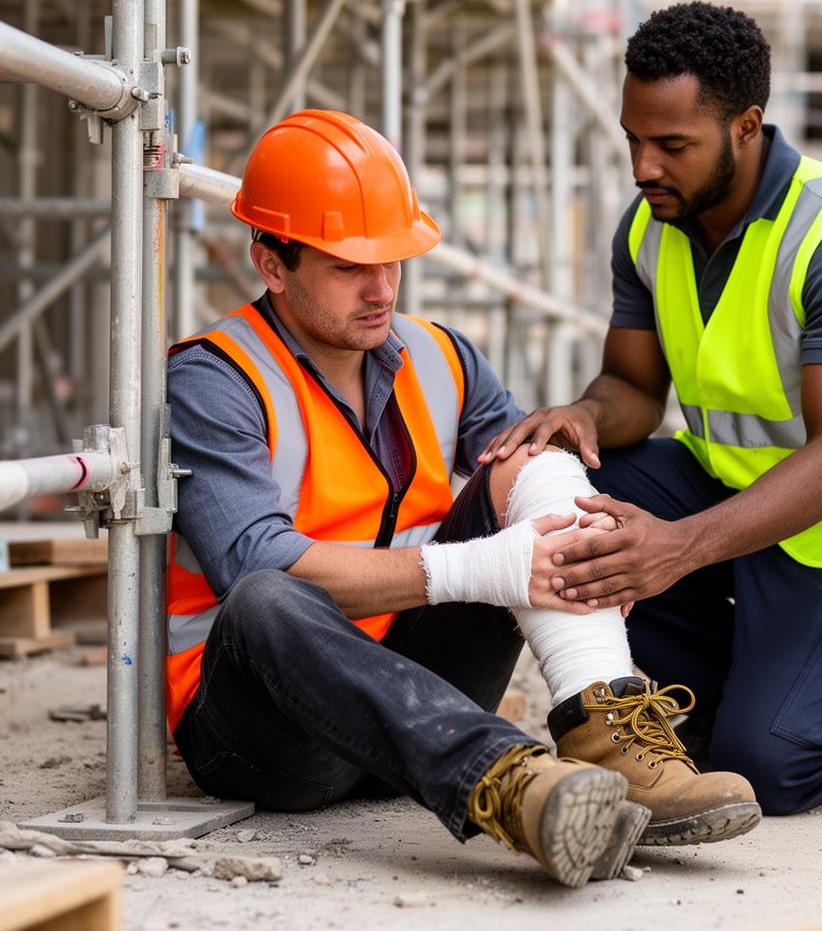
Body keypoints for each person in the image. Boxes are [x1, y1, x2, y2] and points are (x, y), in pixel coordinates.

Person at [165, 109, 759, 889]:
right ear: (273, 265)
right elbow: (262, 562)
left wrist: (586, 555)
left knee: (530, 464)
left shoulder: (441, 355)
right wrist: (488, 569)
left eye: (394, 261)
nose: (381, 290)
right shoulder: (213, 378)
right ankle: (510, 784)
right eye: (350, 266)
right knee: (266, 598)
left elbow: (529, 487)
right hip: (270, 731)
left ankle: (606, 728)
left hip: (424, 682)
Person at [480, 2, 822, 816]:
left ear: (746, 128)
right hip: (736, 499)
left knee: (769, 766)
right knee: (558, 491)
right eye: (633, 140)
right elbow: (633, 391)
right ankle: (773, 668)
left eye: (672, 146)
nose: (642, 167)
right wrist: (582, 415)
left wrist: (677, 549)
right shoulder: (652, 227)